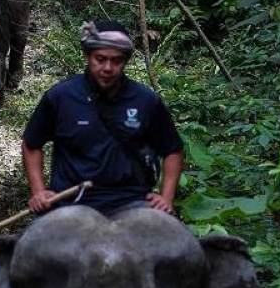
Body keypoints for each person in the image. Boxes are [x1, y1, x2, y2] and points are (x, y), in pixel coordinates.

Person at [21, 20, 184, 217]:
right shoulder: (60, 97)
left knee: (174, 242)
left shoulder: (146, 100)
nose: (108, 68)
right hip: (70, 202)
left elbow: (173, 150)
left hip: (133, 202)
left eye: (117, 61)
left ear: (126, 61)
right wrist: (38, 192)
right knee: (33, 244)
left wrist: (166, 198)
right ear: (87, 56)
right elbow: (31, 144)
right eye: (100, 59)